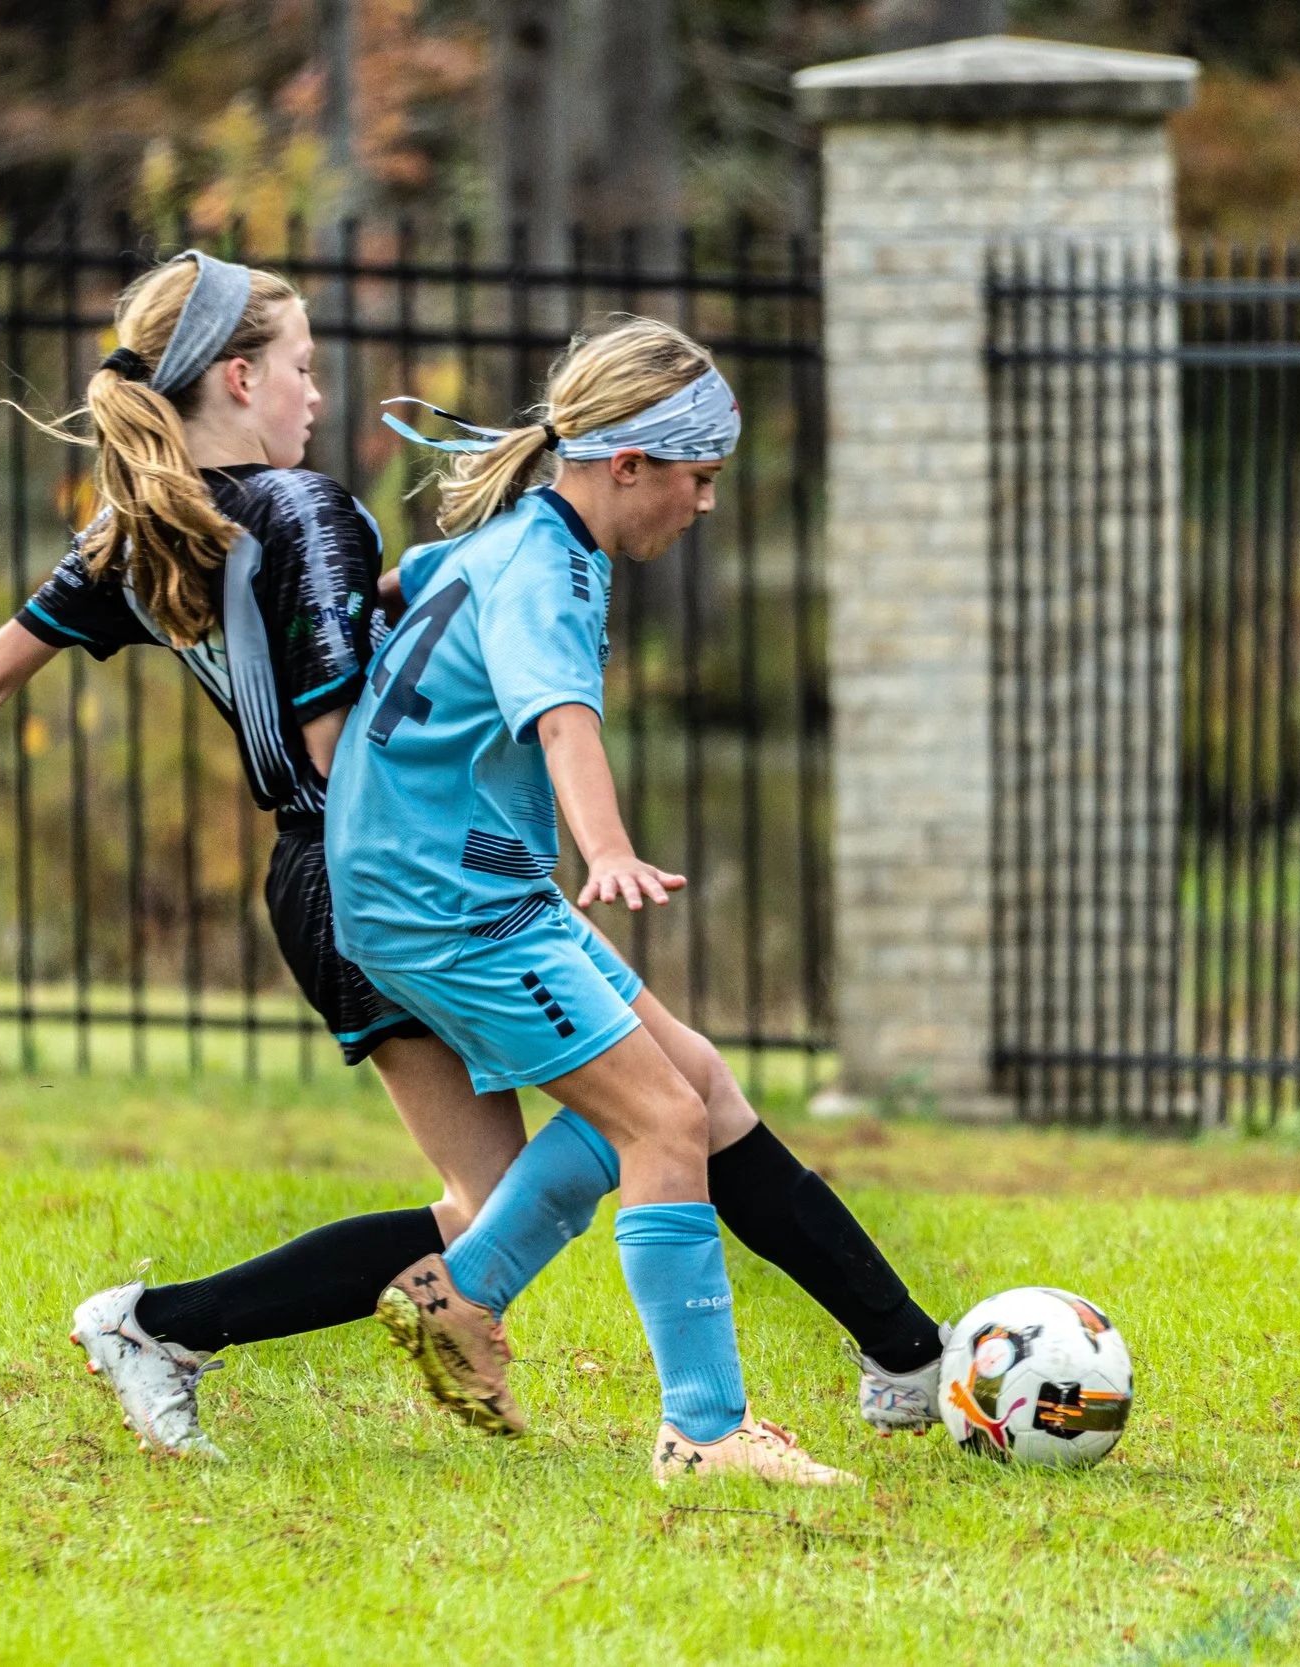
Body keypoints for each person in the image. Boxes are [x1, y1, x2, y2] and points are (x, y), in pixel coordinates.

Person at [0, 250, 533, 1460]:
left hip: (318, 874)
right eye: (301, 368)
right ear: (237, 376)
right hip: (374, 865)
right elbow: (342, 746)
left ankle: (177, 1327)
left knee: (502, 1195)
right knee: (569, 1158)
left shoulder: (141, 530)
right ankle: (160, 1324)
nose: (316, 394)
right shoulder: (303, 508)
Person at [328, 316, 948, 1486]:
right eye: (697, 478)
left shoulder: (508, 538)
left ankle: (462, 1289)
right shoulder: (544, 568)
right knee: (660, 1121)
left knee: (693, 1083)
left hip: (446, 883)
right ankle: (703, 1430)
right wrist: (605, 849)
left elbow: (396, 593)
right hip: (447, 901)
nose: (704, 503)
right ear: (627, 465)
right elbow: (563, 722)